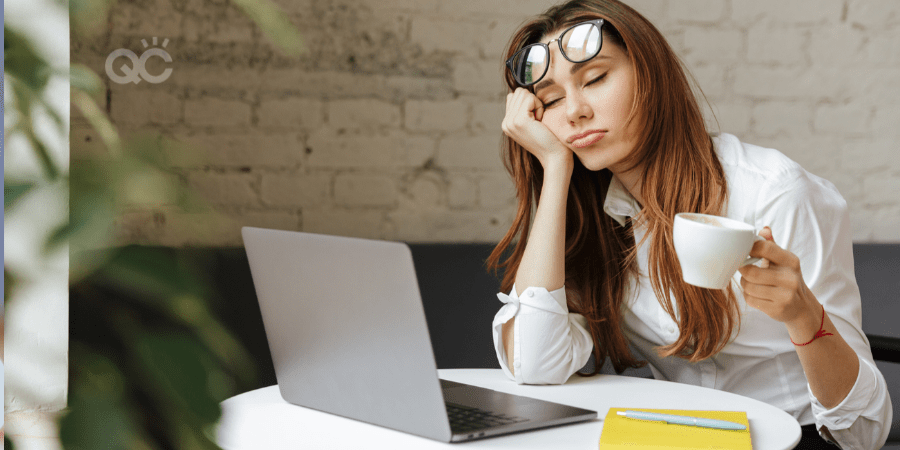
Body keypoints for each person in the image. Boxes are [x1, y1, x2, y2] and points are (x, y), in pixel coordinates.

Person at [486, 1, 892, 449]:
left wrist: (802, 315)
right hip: (674, 438)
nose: (574, 111)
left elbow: (864, 433)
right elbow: (533, 364)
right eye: (551, 100)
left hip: (792, 438)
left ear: (651, 75)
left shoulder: (776, 192)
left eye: (596, 79)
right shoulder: (595, 215)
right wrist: (556, 168)